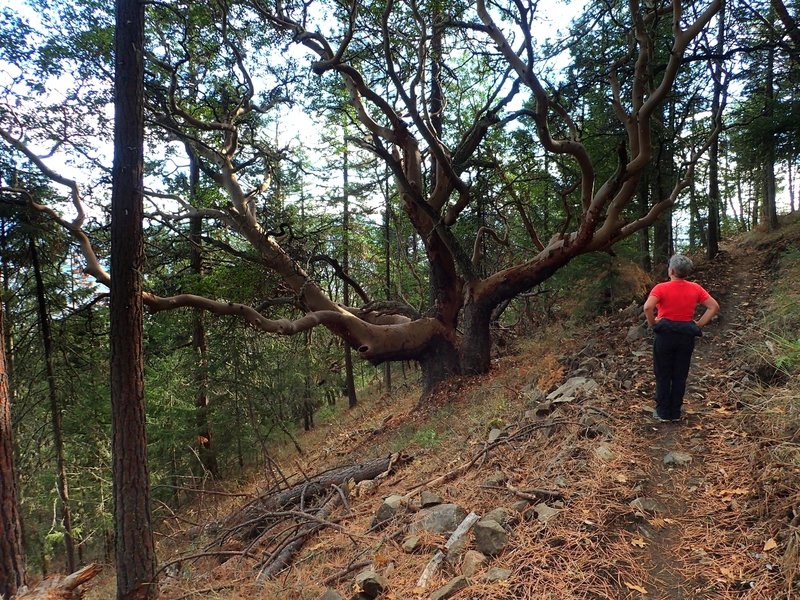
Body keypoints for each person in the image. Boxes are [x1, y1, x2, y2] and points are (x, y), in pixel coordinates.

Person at [643, 255, 720, 422]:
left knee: (663, 373)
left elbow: (648, 306)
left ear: (671, 270)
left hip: (665, 335)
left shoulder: (661, 288)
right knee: (680, 374)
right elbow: (714, 307)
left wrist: (653, 323)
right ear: (686, 272)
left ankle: (663, 412)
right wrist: (698, 324)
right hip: (686, 336)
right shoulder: (695, 288)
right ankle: (675, 412)